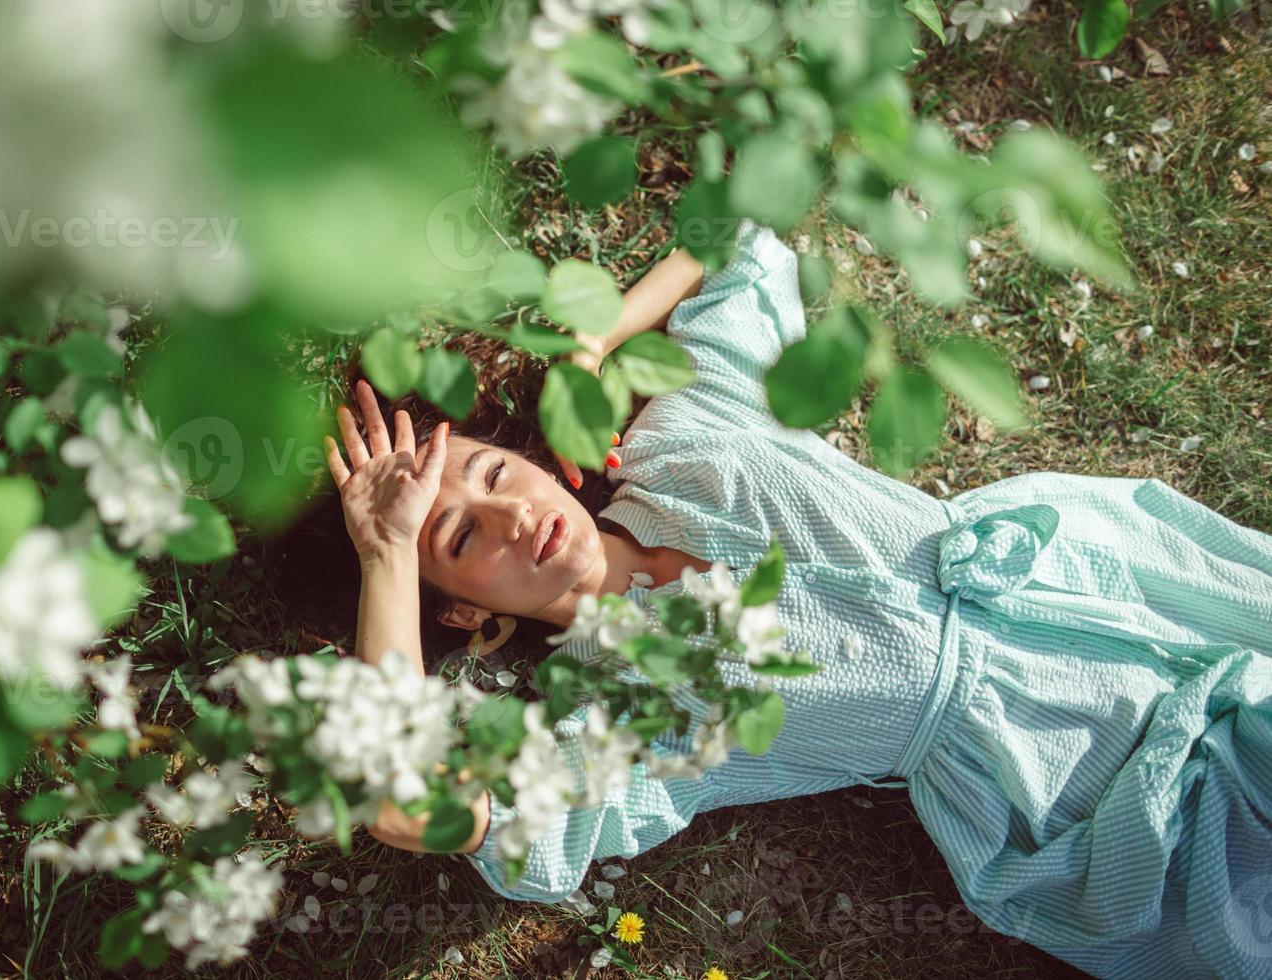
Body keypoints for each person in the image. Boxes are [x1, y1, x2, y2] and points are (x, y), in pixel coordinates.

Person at [318, 219, 1272, 980]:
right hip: (1067, 769)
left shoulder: (687, 432)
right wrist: (387, 554)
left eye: (491, 474)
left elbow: (743, 235)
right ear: (462, 613)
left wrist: (596, 337)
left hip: (1116, 577)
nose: (510, 517)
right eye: (459, 539)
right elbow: (407, 807)